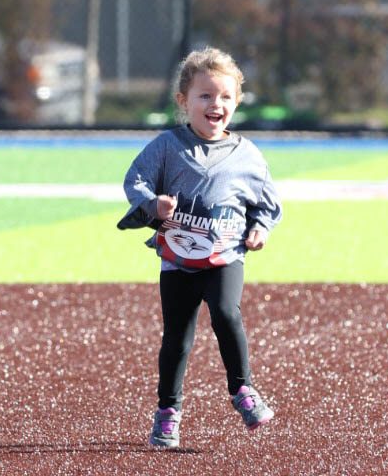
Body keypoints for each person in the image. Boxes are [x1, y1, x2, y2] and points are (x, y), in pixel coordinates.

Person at [117, 47, 283, 449]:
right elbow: (134, 180)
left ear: (237, 103)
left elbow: (268, 204)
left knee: (227, 313)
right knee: (177, 337)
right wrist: (152, 204)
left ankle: (242, 390)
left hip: (226, 256)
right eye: (205, 96)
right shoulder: (168, 146)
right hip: (177, 257)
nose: (216, 104)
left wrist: (260, 228)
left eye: (225, 96)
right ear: (183, 101)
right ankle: (167, 413)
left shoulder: (247, 155)